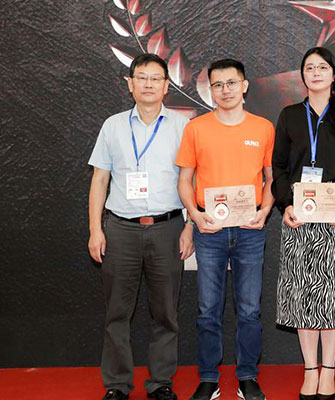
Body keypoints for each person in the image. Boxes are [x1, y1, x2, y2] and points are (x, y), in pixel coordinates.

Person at [88, 53, 193, 400]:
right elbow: (99, 180)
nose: (148, 84)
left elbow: (192, 180)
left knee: (166, 313)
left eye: (156, 78)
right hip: (121, 229)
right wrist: (95, 229)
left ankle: (161, 382)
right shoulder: (112, 126)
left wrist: (190, 225)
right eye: (142, 77)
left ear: (166, 85)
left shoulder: (183, 126)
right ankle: (117, 385)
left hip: (168, 227)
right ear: (130, 83)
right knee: (117, 313)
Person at [175, 59, 275, 400]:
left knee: (249, 309)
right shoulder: (196, 128)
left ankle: (247, 376)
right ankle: (208, 378)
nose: (225, 90)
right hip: (210, 229)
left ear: (244, 86)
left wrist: (265, 210)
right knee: (208, 309)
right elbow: (185, 180)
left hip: (250, 229)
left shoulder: (263, 128)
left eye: (231, 83)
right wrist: (194, 215)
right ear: (210, 90)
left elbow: (272, 179)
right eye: (217, 85)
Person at [271, 47, 335, 400]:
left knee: (333, 296)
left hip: (334, 218)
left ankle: (329, 369)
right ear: (303, 75)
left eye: (322, 67)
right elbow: (279, 167)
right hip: (299, 218)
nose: (315, 73)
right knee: (302, 295)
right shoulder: (290, 116)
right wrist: (285, 204)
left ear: (333, 74)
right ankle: (310, 368)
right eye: (309, 67)